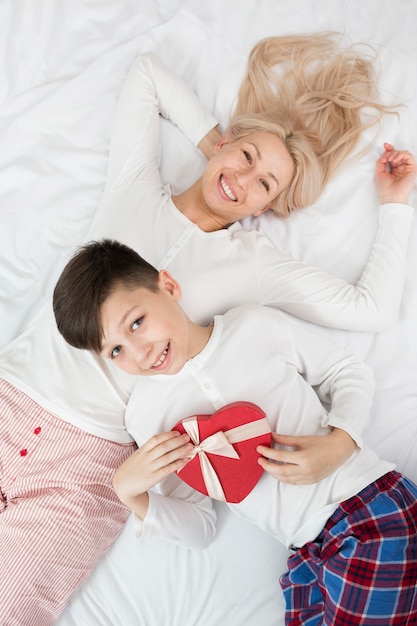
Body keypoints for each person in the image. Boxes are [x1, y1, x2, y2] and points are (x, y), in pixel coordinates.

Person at [0, 34, 416, 623]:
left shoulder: (255, 269)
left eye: (264, 184)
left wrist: (396, 207)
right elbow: (146, 75)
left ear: (268, 208)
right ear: (224, 145)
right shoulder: (136, 190)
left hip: (93, 464)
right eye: (245, 156)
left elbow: (371, 310)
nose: (242, 181)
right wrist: (210, 137)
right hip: (11, 396)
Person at [53, 238, 417, 625]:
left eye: (137, 323)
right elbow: (200, 527)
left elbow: (347, 371)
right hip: (306, 556)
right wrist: (131, 493)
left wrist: (340, 444)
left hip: (366, 510)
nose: (139, 352)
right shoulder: (147, 417)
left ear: (169, 286)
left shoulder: (254, 326)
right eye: (115, 351)